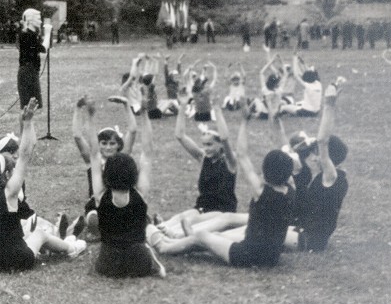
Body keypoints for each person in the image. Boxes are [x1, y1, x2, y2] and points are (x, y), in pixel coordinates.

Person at [148, 99, 295, 268]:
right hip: (271, 258)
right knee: (208, 236)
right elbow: (286, 157)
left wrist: (244, 122)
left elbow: (242, 155)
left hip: (247, 255)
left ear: (266, 173)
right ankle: (177, 238)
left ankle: (164, 246)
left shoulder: (260, 191)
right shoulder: (291, 189)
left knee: (202, 236)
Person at [0, 99, 86, 273]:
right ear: (5, 173)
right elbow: (25, 154)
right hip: (14, 259)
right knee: (40, 234)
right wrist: (28, 123)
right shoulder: (9, 192)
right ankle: (71, 249)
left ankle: (64, 238)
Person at [85, 96, 166, 278]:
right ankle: (153, 261)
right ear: (133, 173)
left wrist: (90, 117)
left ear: (107, 174)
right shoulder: (140, 193)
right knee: (141, 248)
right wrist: (144, 114)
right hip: (139, 261)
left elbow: (94, 153)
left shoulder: (100, 195)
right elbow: (147, 152)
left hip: (108, 264)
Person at [153, 82, 237, 238]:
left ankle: (172, 234)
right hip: (203, 207)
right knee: (184, 216)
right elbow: (180, 135)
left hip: (222, 212)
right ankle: (160, 227)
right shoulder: (203, 158)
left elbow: (225, 137)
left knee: (195, 219)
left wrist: (217, 109)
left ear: (220, 146)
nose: (206, 148)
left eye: (210, 145)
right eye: (204, 145)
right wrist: (183, 106)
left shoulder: (230, 162)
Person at [284, 79, 348, 251]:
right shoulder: (325, 177)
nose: (314, 156)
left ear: (328, 157)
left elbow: (322, 140)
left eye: (317, 153)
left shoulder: (332, 177)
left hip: (308, 239)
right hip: (302, 230)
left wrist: (329, 104)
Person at [73, 93, 137, 236]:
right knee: (93, 217)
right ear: (98, 144)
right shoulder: (93, 160)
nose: (108, 147)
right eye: (104, 143)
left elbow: (132, 131)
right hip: (98, 204)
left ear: (118, 145)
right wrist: (78, 109)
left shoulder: (122, 158)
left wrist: (127, 105)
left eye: (112, 143)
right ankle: (99, 227)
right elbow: (77, 136)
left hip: (121, 202)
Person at [17, 9, 45, 111]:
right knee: (27, 109)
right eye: (38, 18)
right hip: (27, 73)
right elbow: (43, 48)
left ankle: (27, 126)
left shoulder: (32, 35)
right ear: (31, 20)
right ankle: (25, 126)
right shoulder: (27, 35)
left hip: (32, 72)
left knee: (31, 109)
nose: (41, 21)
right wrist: (49, 32)